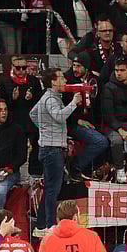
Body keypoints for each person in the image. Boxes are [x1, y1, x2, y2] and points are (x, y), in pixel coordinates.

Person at [31, 68, 82, 234]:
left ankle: (40, 225)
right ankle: (49, 225)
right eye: (61, 78)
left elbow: (32, 114)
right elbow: (60, 117)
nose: (65, 81)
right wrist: (74, 102)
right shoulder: (51, 99)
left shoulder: (47, 97)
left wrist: (45, 129)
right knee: (53, 189)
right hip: (52, 149)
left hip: (49, 147)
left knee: (50, 188)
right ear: (53, 81)